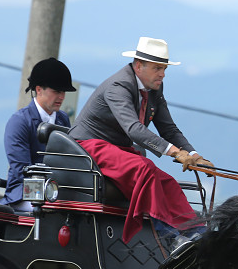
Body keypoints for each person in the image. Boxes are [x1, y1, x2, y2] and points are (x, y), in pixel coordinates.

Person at [69, 36, 213, 248]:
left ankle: (197, 231)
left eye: (164, 69)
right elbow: (134, 129)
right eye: (157, 68)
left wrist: (193, 155)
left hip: (117, 149)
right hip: (89, 146)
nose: (162, 74)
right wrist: (174, 152)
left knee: (167, 182)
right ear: (139, 66)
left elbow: (168, 128)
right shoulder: (118, 86)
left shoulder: (154, 88)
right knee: (144, 168)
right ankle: (169, 237)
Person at [2, 57, 75, 212]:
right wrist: (49, 196)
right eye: (56, 91)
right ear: (39, 89)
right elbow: (22, 170)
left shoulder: (63, 119)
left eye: (63, 91)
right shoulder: (19, 122)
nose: (61, 97)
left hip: (54, 191)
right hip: (25, 192)